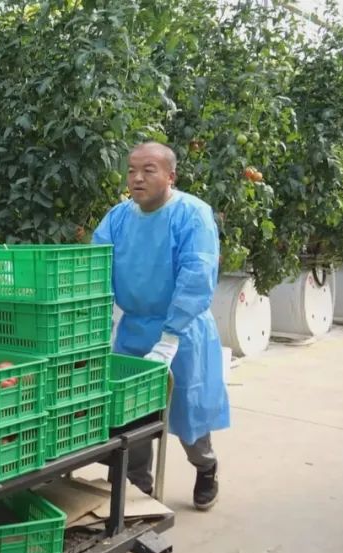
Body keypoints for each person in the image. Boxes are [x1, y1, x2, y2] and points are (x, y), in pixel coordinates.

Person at [92, 141, 230, 511]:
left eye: (148, 170)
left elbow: (197, 275)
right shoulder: (118, 218)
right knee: (130, 412)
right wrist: (96, 325)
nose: (137, 178)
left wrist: (170, 337)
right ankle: (137, 485)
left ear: (171, 176)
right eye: (131, 170)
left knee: (187, 409)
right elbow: (96, 268)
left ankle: (205, 466)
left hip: (182, 331)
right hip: (135, 329)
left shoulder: (192, 215)